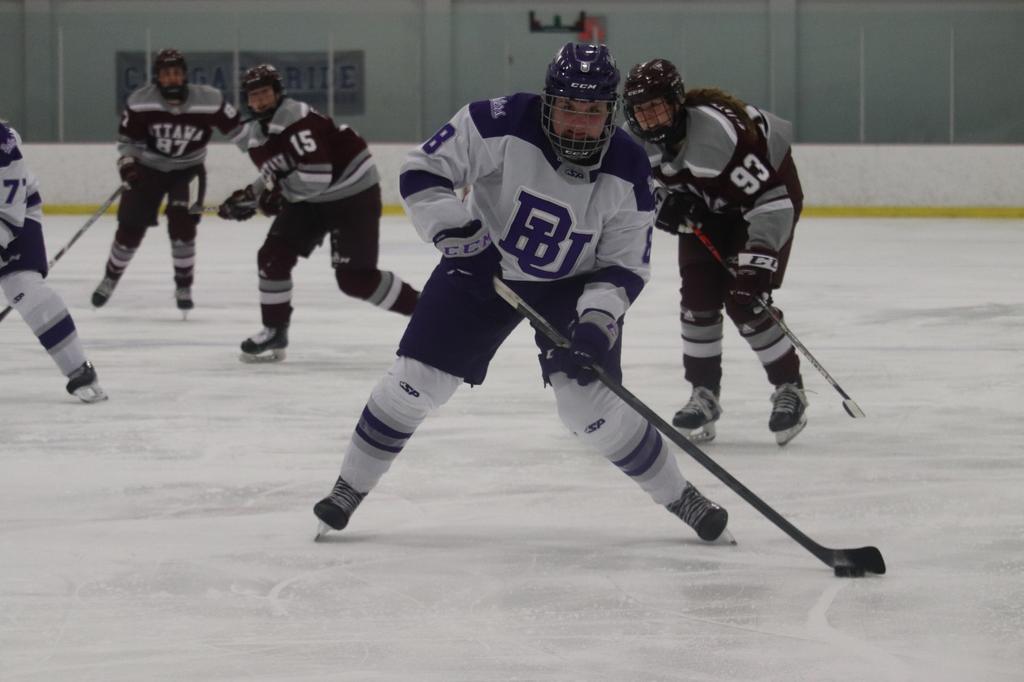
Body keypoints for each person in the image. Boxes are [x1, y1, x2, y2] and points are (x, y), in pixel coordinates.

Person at [313, 43, 729, 543]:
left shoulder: (630, 166)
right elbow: (422, 171)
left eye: (593, 111)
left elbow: (623, 265)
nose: (579, 124)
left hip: (571, 288)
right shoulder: (499, 120)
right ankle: (347, 489)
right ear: (549, 102)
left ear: (610, 112)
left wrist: (597, 322)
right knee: (413, 381)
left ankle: (680, 495)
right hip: (479, 269)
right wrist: (461, 235)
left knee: (587, 407)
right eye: (569, 108)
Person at [622, 58, 807, 446]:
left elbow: (770, 200)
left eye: (657, 106)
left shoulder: (716, 137)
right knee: (697, 300)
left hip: (766, 200)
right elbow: (631, 190)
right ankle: (703, 394)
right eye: (641, 109)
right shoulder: (633, 142)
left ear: (676, 102)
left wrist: (758, 257)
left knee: (746, 300)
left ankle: (790, 387)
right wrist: (663, 206)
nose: (650, 118)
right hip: (705, 203)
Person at [218, 64, 419, 362]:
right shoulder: (259, 132)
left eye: (264, 93)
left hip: (353, 195)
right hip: (312, 200)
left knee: (355, 279)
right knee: (272, 258)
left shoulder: (296, 120)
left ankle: (427, 311)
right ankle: (274, 330)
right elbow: (279, 174)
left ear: (277, 92)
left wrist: (273, 199)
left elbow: (316, 177)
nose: (259, 101)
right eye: (253, 96)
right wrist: (250, 195)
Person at [91, 48, 241, 316]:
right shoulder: (140, 101)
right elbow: (127, 143)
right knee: (130, 229)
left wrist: (269, 155)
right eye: (166, 74)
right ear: (157, 78)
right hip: (148, 169)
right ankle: (110, 278)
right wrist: (128, 168)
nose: (171, 78)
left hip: (189, 170)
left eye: (176, 73)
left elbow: (241, 132)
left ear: (184, 75)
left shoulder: (210, 99)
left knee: (183, 226)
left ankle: (184, 286)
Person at [0, 122, 107, 402]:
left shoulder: (3, 143)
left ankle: (77, 368)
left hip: (16, 214)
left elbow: (9, 211)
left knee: (22, 285)